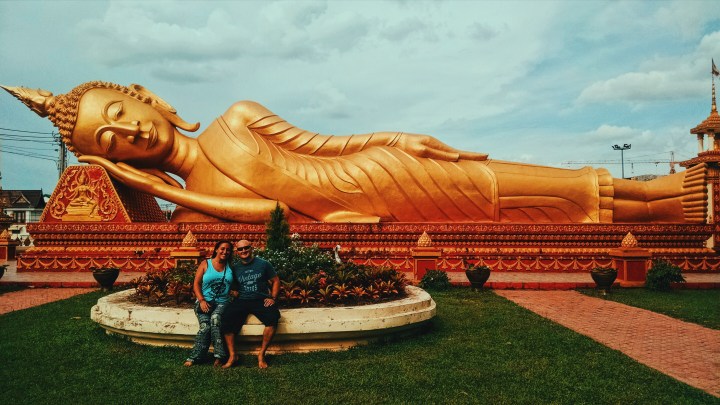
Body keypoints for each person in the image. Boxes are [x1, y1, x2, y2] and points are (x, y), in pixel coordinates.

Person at [1, 81, 707, 224]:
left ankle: (684, 195)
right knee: (548, 207)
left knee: (546, 181)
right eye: (113, 142)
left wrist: (398, 137)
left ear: (147, 96)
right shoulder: (206, 207)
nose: (132, 133)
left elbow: (328, 144)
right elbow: (269, 211)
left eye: (124, 114)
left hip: (385, 171)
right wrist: (170, 192)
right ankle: (679, 206)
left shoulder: (236, 118)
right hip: (362, 212)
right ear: (122, 161)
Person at [221, 240, 281, 369]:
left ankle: (261, 354)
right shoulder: (235, 268)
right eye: (240, 249)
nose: (243, 251)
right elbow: (233, 286)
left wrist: (273, 298)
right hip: (242, 300)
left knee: (273, 318)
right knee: (225, 319)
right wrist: (232, 292)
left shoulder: (264, 264)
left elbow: (275, 281)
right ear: (237, 252)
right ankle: (232, 355)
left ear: (251, 248)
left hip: (260, 299)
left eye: (246, 248)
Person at [183, 240, 234, 367]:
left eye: (228, 250)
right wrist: (201, 300)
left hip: (222, 302)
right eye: (222, 248)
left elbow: (236, 284)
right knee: (205, 328)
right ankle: (195, 357)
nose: (225, 252)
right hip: (204, 302)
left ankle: (219, 356)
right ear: (216, 249)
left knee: (215, 319)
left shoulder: (231, 266)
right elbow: (196, 283)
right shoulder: (206, 263)